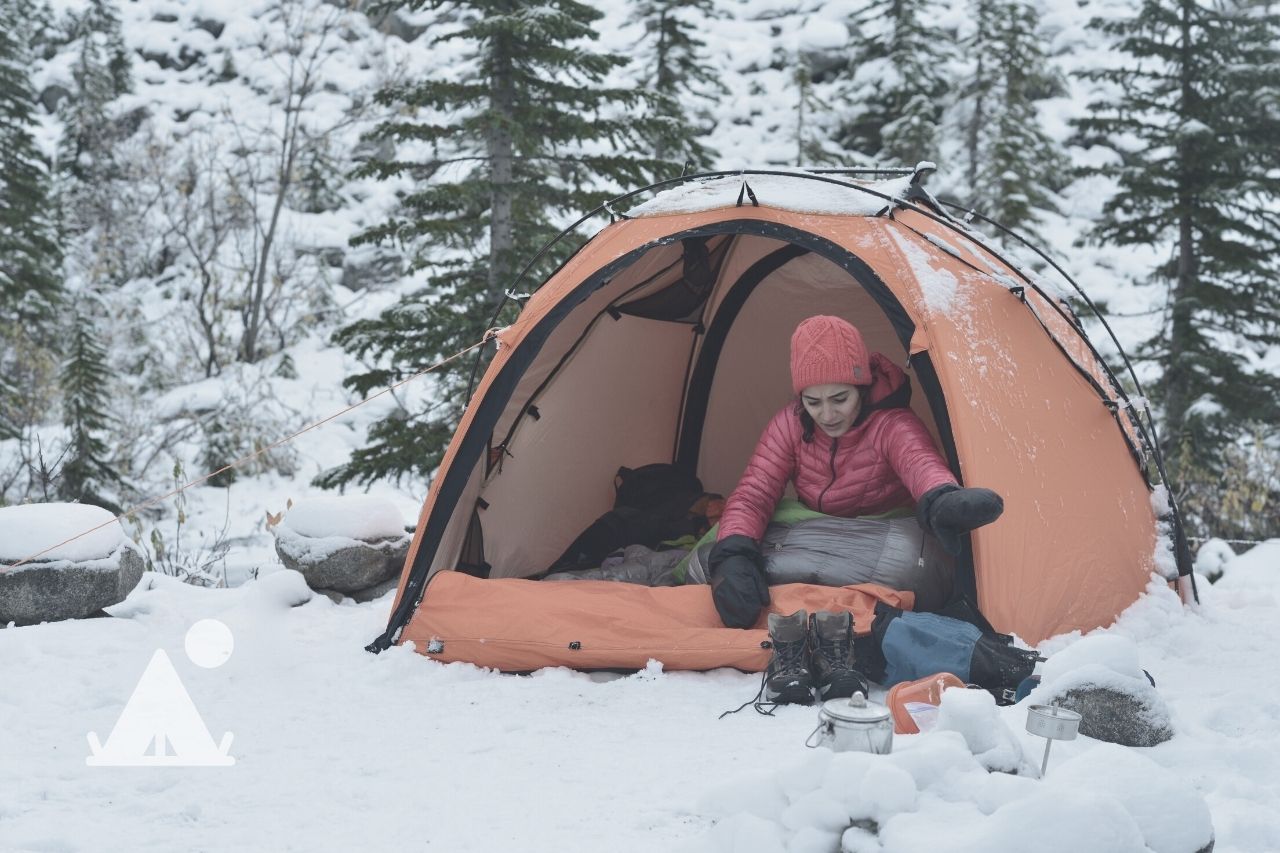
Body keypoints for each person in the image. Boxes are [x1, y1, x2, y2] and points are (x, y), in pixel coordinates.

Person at [708, 315, 1006, 703]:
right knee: (714, 552)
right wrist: (733, 554)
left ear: (861, 387)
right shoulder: (790, 424)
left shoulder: (891, 424)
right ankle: (832, 612)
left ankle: (805, 606)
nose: (827, 415)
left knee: (909, 561)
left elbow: (920, 463)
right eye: (813, 401)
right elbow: (754, 492)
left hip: (881, 537)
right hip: (819, 533)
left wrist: (941, 499)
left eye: (839, 399)